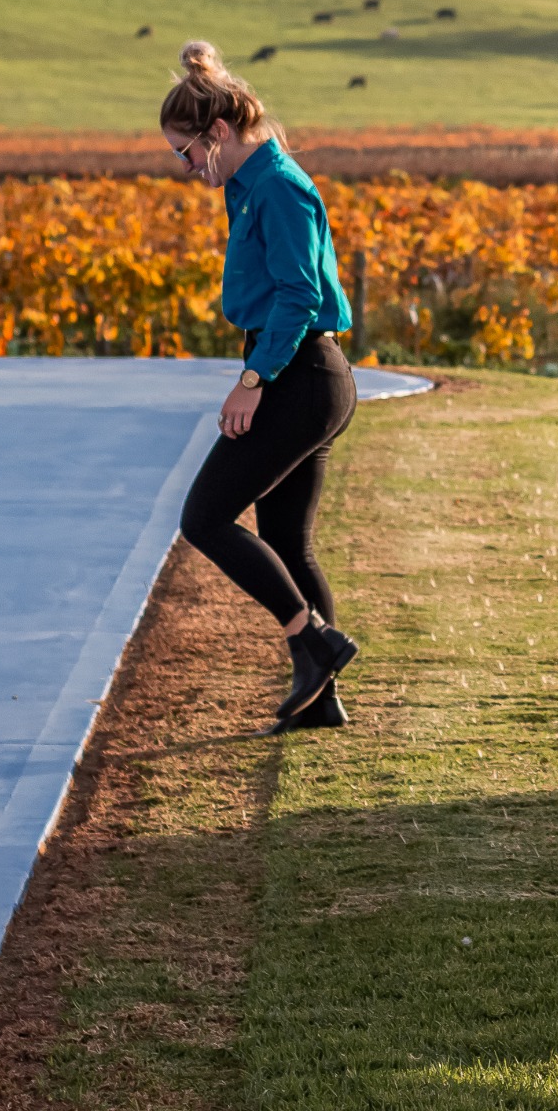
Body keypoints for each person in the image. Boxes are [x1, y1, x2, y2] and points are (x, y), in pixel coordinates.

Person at [160, 38, 361, 728]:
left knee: (204, 517)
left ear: (217, 133)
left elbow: (300, 297)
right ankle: (320, 697)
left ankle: (314, 641)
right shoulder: (246, 186)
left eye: (185, 152)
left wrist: (252, 379)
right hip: (300, 370)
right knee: (285, 538)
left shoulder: (277, 187)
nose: (184, 168)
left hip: (299, 372)